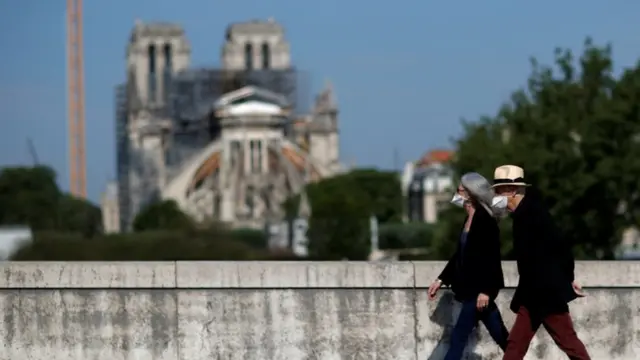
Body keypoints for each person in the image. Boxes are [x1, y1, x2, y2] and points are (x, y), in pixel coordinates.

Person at [490, 165, 590, 360]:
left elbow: (559, 247)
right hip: (534, 294)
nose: (495, 195)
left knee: (567, 342)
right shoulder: (526, 212)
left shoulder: (531, 213)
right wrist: (567, 278)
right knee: (516, 346)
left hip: (545, 294)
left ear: (512, 191)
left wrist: (566, 279)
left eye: (499, 190)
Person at [428, 172, 509, 360]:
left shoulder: (485, 220)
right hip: (471, 290)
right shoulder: (469, 219)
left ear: (471, 193)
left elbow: (491, 258)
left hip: (478, 291)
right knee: (503, 338)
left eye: (460, 190)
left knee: (458, 338)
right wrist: (441, 280)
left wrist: (486, 291)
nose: (456, 193)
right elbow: (460, 255)